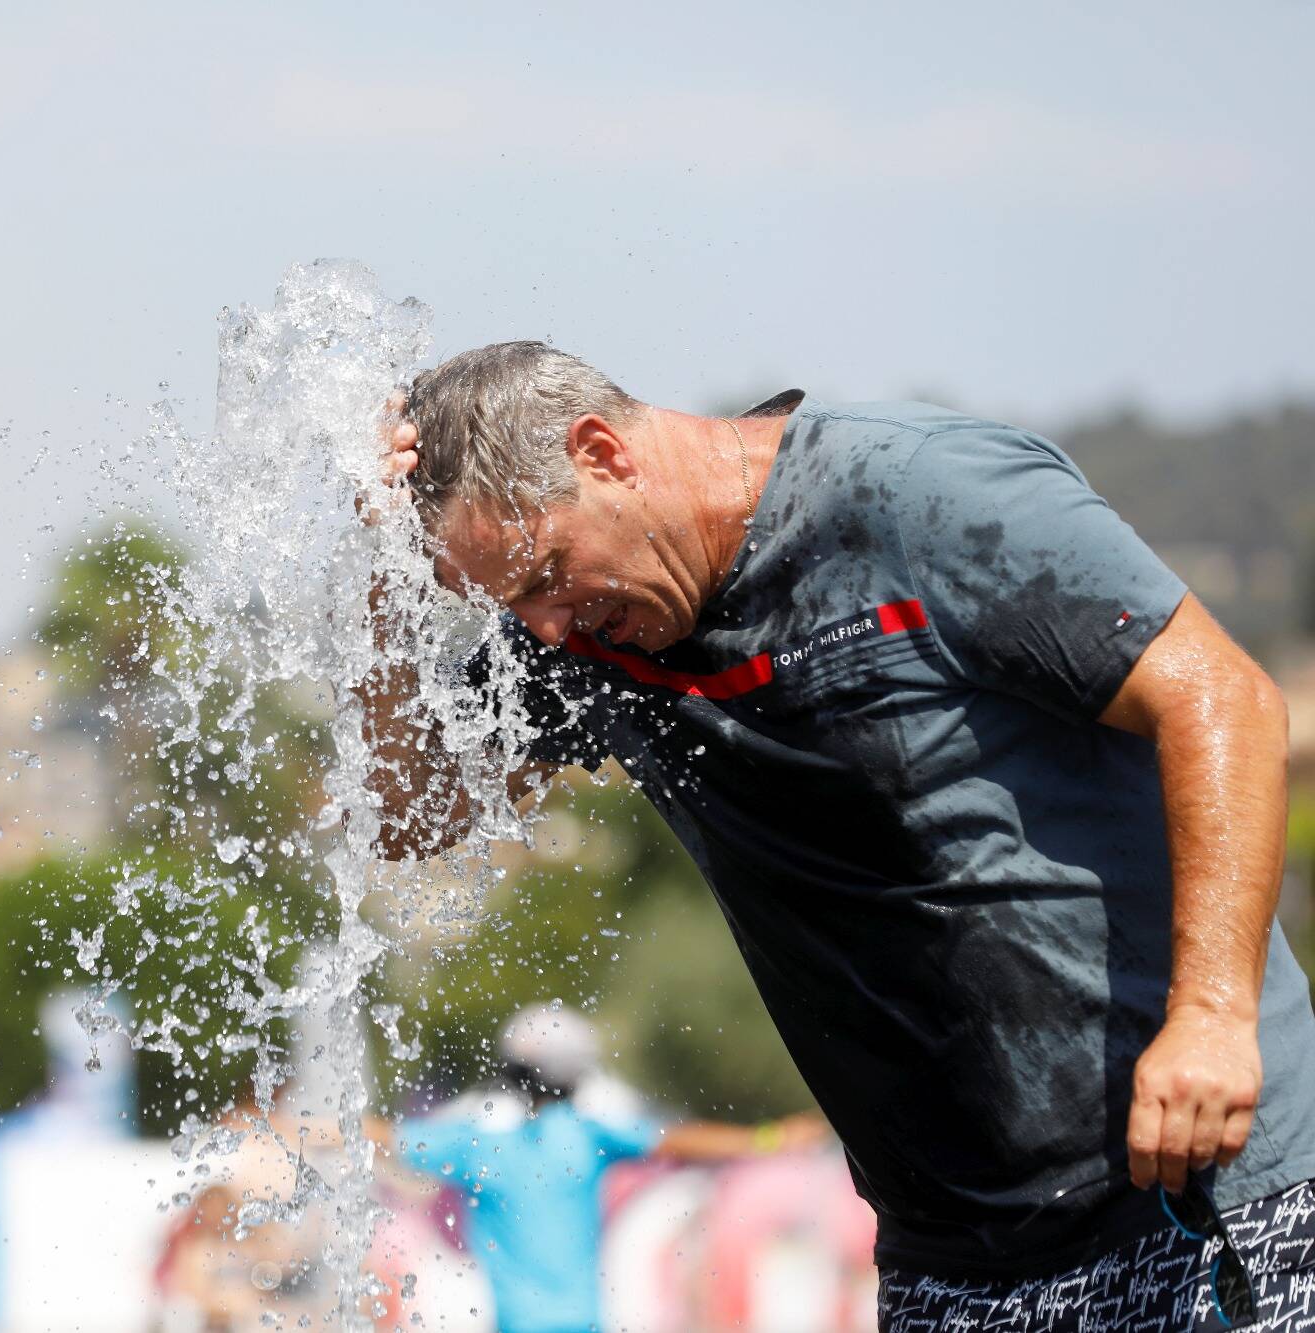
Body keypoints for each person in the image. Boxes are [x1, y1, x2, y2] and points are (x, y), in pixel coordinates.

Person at [365, 342, 1315, 1330]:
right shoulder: (585, 635)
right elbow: (406, 815)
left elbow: (1222, 701)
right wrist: (379, 592)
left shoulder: (912, 495)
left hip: (1207, 1194)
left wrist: (1209, 1013)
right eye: (507, 604)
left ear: (601, 450)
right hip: (953, 1264)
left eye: (547, 576)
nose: (545, 628)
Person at [389, 1004, 823, 1333]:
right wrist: (769, 1138)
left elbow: (382, 1137)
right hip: (585, 1323)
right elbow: (677, 1139)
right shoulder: (589, 1135)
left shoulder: (474, 1143)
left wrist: (325, 1126)